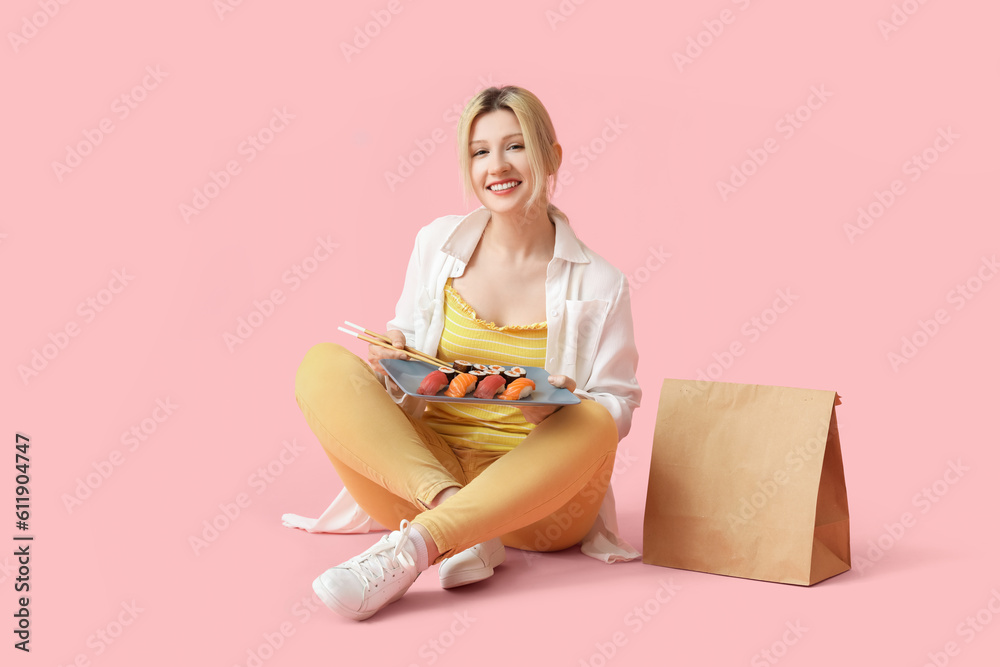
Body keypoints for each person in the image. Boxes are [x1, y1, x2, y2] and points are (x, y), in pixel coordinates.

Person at [293, 85, 641, 621]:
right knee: (322, 363)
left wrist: (556, 407)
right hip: (425, 481)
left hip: (536, 507)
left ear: (552, 155)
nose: (496, 166)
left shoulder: (602, 282)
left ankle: (415, 548)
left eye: (515, 145)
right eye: (480, 151)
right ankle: (454, 523)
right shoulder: (436, 244)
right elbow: (405, 343)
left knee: (594, 419)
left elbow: (618, 404)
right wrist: (393, 360)